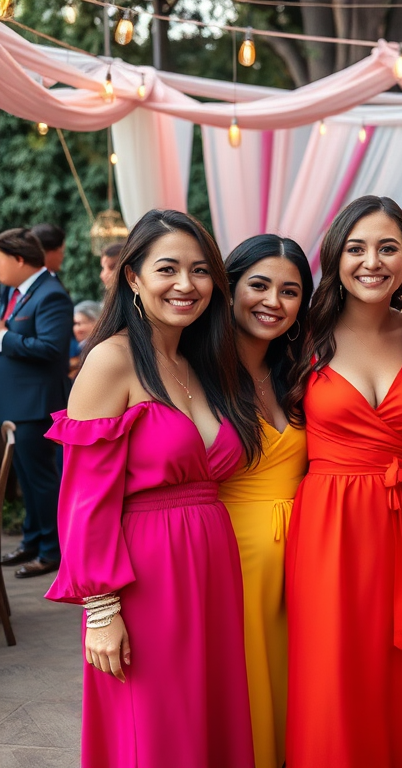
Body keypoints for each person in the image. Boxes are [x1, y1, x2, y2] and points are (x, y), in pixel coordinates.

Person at [44, 209, 262, 768]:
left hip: (212, 566)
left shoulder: (201, 363)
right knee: (154, 730)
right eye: (168, 268)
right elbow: (83, 501)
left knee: (207, 720)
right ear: (133, 276)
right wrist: (100, 609)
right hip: (145, 574)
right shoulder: (109, 361)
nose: (186, 285)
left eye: (200, 271)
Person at [285, 196, 402, 768]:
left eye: (388, 247)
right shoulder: (301, 334)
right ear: (336, 257)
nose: (373, 261)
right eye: (357, 248)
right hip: (327, 525)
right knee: (330, 676)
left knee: (398, 674)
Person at [221, 235, 312, 768]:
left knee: (293, 696)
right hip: (233, 557)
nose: (272, 301)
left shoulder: (297, 372)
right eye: (258, 285)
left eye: (289, 291)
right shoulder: (196, 372)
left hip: (302, 558)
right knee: (245, 696)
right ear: (229, 288)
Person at [0, 228, 73, 578]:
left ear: (17, 259)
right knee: (27, 481)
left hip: (36, 403)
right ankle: (32, 540)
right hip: (14, 403)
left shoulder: (52, 295)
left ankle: (51, 551)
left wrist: (5, 337)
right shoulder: (11, 292)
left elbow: (52, 350)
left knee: (42, 480)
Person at [70, 300, 102, 379]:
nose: (75, 329)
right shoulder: (82, 348)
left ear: (96, 322)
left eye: (79, 324)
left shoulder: (99, 351)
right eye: (74, 324)